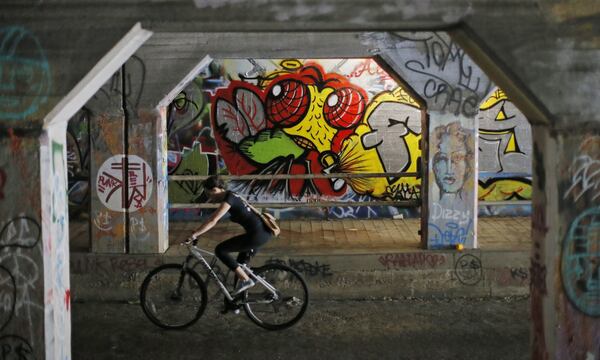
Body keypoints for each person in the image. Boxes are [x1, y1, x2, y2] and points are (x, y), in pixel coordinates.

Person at [187, 176, 272, 294]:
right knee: (240, 268)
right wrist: (199, 231)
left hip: (256, 235)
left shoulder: (229, 199)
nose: (209, 198)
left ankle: (247, 280)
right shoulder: (233, 194)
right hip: (261, 232)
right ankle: (237, 302)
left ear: (215, 189)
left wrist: (195, 234)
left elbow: (213, 220)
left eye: (209, 194)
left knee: (220, 250)